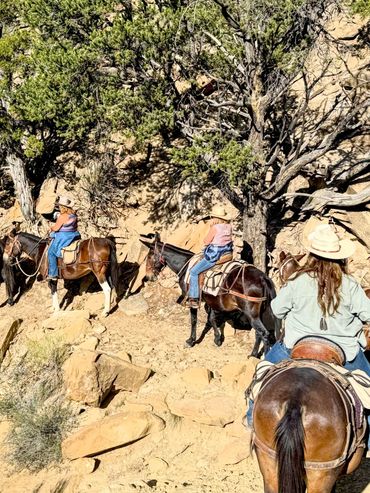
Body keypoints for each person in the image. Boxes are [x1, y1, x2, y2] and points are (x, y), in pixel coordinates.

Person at [245, 223, 370, 454]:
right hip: (343, 352)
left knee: (260, 376)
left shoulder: (297, 281)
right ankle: (368, 440)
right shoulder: (351, 285)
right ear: (340, 259)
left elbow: (276, 310)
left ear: (312, 255)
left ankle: (252, 418)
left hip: (296, 347)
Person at [187, 205, 234, 308]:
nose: (211, 219)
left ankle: (194, 298)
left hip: (215, 256)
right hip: (227, 254)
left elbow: (206, 241)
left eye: (212, 217)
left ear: (216, 218)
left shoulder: (215, 227)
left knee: (194, 272)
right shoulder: (229, 226)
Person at [47, 196, 81, 280]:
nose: (58, 207)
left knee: (51, 252)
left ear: (62, 207)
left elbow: (56, 228)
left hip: (63, 237)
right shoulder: (73, 215)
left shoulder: (62, 216)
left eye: (59, 206)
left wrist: (50, 228)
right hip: (74, 234)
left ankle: (53, 274)